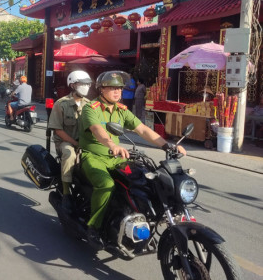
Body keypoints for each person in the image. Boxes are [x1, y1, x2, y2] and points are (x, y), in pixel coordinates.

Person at [79, 71, 187, 249]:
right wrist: (111, 145)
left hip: (116, 157)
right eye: (112, 88)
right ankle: (94, 227)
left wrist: (168, 146)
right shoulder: (91, 108)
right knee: (106, 185)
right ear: (101, 89)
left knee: (142, 179)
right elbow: (98, 130)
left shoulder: (122, 111)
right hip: (94, 156)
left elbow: (143, 130)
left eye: (119, 88)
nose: (117, 92)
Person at [48, 71, 92, 213]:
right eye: (82, 84)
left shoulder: (90, 105)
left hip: (84, 142)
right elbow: (58, 130)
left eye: (88, 84)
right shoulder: (61, 104)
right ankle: (66, 193)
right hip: (65, 142)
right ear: (73, 85)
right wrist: (75, 143)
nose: (86, 87)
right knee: (69, 153)